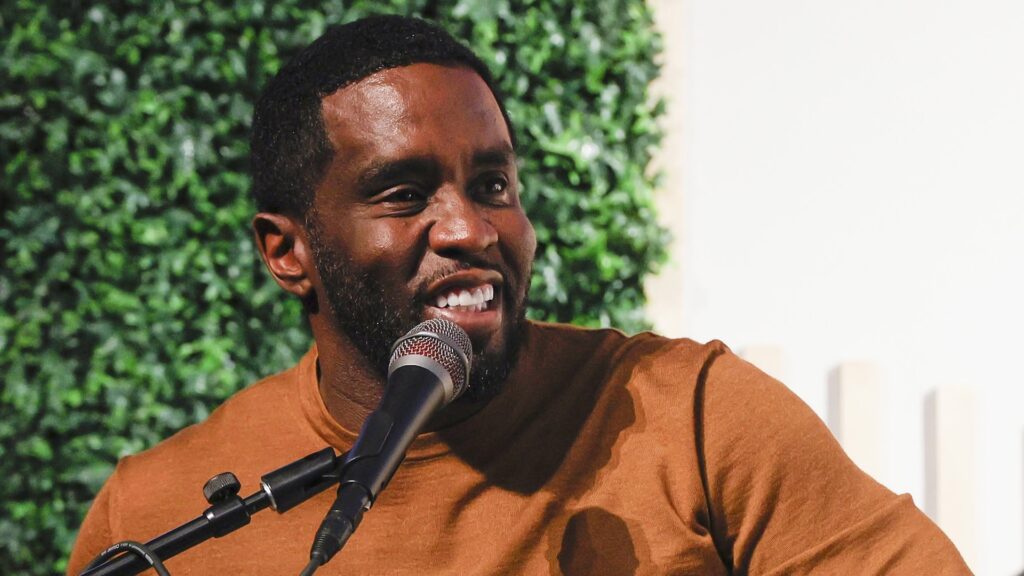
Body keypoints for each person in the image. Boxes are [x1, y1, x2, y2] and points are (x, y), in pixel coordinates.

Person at [68, 15, 970, 575]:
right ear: (287, 251)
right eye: (404, 193)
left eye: (493, 184)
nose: (471, 229)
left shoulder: (696, 419)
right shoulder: (157, 514)